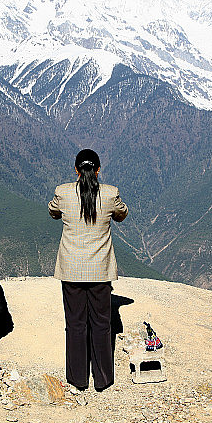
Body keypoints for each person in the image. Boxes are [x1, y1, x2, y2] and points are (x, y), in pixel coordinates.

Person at [48, 148, 128, 392]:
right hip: (100, 270)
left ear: (76, 170)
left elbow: (52, 212)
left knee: (75, 324)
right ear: (98, 169)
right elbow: (122, 214)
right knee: (103, 324)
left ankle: (77, 379)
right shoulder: (110, 193)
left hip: (71, 268)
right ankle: (103, 379)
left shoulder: (62, 193)